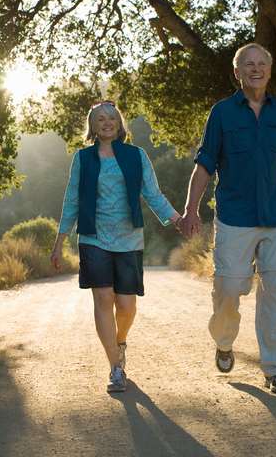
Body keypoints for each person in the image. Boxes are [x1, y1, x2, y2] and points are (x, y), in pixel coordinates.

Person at [181, 43, 276, 394]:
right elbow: (205, 163)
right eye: (248, 64)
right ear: (236, 72)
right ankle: (224, 340)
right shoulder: (222, 113)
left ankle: (275, 368)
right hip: (235, 218)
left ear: (270, 70)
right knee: (229, 287)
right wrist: (192, 208)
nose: (256, 69)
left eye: (262, 64)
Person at [51, 101, 181, 393]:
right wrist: (59, 242)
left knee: (126, 304)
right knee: (103, 299)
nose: (106, 122)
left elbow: (153, 194)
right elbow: (71, 201)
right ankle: (115, 367)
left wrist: (177, 219)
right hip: (93, 237)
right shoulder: (82, 159)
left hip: (129, 238)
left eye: (111, 118)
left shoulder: (136, 155)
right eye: (100, 119)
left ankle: (119, 341)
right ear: (93, 126)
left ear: (120, 124)